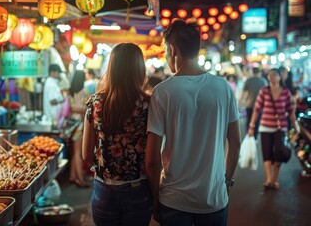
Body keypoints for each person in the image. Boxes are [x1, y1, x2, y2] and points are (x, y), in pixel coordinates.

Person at [145, 20, 241, 226]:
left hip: (173, 199)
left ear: (173, 49)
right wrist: (226, 182)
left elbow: (152, 159)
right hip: (213, 198)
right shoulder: (222, 87)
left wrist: (154, 198)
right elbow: (235, 142)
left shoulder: (163, 92)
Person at [82, 43, 152, 226]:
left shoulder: (95, 102)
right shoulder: (148, 105)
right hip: (138, 187)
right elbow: (152, 157)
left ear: (111, 68)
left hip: (104, 188)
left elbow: (85, 155)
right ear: (139, 69)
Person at [248, 68, 299, 190]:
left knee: (279, 153)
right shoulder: (264, 91)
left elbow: (290, 111)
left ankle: (275, 178)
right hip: (265, 126)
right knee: (267, 154)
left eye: (274, 75)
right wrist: (251, 126)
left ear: (280, 77)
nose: (271, 77)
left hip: (280, 127)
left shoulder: (285, 92)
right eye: (269, 75)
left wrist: (295, 124)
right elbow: (257, 109)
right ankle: (269, 179)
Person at [68, 70, 90, 188]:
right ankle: (80, 180)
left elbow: (71, 109)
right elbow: (88, 108)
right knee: (77, 153)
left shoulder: (70, 92)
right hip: (79, 125)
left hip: (71, 125)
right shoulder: (85, 93)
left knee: (74, 151)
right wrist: (83, 110)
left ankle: (72, 176)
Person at [238, 67, 267, 138]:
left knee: (249, 120)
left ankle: (248, 136)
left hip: (249, 104)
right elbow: (266, 94)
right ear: (259, 72)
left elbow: (243, 94)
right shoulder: (263, 81)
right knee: (257, 122)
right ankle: (255, 137)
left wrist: (239, 104)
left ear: (252, 72)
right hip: (260, 105)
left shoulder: (248, 81)